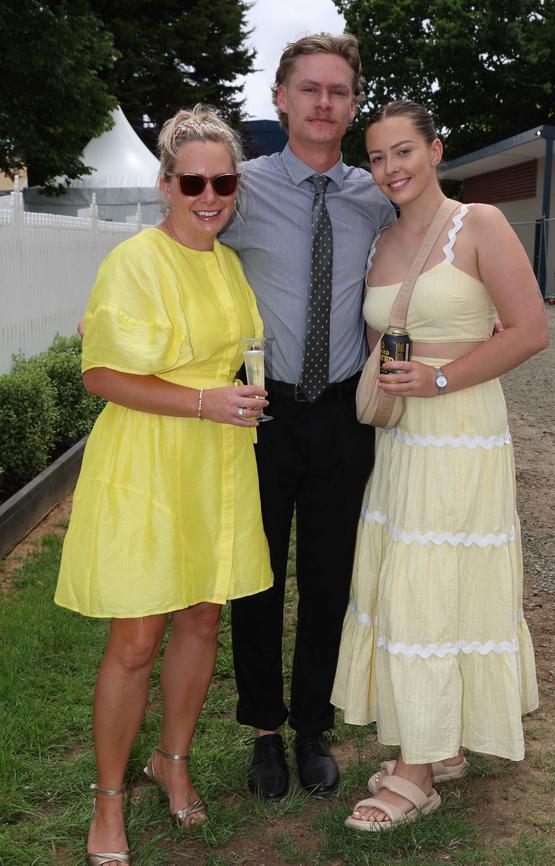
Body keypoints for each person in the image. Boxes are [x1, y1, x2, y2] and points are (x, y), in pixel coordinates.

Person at [55, 105, 273, 865]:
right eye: (194, 181)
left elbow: (243, 352)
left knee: (202, 620)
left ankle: (170, 761)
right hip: (148, 460)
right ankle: (108, 802)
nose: (210, 195)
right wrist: (206, 401)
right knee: (137, 637)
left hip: (214, 460)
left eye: (224, 181)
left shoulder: (229, 264)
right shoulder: (135, 261)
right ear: (166, 183)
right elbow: (101, 373)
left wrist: (244, 394)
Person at [331, 100, 548, 831]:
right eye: (378, 157)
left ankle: (417, 776)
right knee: (411, 584)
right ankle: (441, 741)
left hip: (460, 432)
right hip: (400, 441)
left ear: (435, 150)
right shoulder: (381, 243)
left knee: (429, 588)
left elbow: (531, 331)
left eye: (403, 152)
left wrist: (441, 378)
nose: (390, 168)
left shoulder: (480, 224)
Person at [221, 33, 396, 800]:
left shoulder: (377, 193)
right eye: (311, 90)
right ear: (281, 99)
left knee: (329, 577)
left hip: (343, 411)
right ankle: (263, 729)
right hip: (261, 412)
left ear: (352, 106)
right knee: (255, 577)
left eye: (339, 93)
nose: (325, 104)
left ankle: (313, 726)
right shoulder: (239, 187)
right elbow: (176, 250)